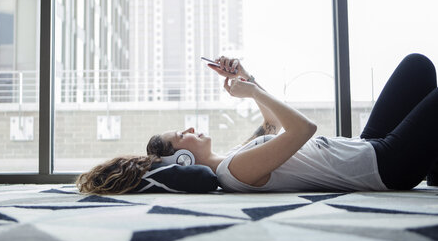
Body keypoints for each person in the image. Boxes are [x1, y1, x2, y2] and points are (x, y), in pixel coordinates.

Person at [77, 53, 438, 194]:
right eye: (181, 136)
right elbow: (303, 129)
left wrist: (246, 77)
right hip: (387, 166)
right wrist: (249, 92)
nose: (189, 129)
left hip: (365, 147)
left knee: (417, 67)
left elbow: (271, 124)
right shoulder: (235, 172)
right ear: (182, 161)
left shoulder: (235, 158)